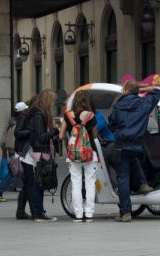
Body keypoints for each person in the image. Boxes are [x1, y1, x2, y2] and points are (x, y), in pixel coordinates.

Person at [108, 80, 160, 222]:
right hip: (137, 145)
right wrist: (142, 89)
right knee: (133, 158)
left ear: (126, 90)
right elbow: (158, 90)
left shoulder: (118, 106)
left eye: (123, 89)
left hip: (121, 144)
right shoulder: (143, 104)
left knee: (122, 177)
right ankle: (143, 183)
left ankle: (125, 212)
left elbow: (111, 125)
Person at [59, 90, 98, 223]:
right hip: (89, 152)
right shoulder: (90, 116)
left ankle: (78, 215)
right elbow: (95, 135)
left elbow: (61, 135)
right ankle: (89, 214)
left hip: (73, 154)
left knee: (75, 183)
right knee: (90, 183)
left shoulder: (67, 115)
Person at [25, 89, 60, 222]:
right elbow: (40, 137)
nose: (53, 105)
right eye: (53, 102)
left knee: (38, 181)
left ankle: (38, 211)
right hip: (39, 152)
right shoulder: (39, 115)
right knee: (38, 182)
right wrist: (54, 131)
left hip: (38, 151)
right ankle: (39, 212)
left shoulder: (36, 113)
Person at [0, 102, 27, 202]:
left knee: (22, 172)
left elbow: (3, 139)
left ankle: (30, 192)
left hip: (11, 150)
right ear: (23, 111)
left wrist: (3, 150)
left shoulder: (10, 123)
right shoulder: (21, 123)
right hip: (17, 151)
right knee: (14, 173)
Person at [14, 96, 37, 220]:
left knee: (28, 183)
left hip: (29, 153)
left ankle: (20, 211)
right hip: (24, 153)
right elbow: (17, 133)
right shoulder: (25, 115)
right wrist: (31, 132)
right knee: (30, 182)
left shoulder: (32, 116)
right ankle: (33, 211)